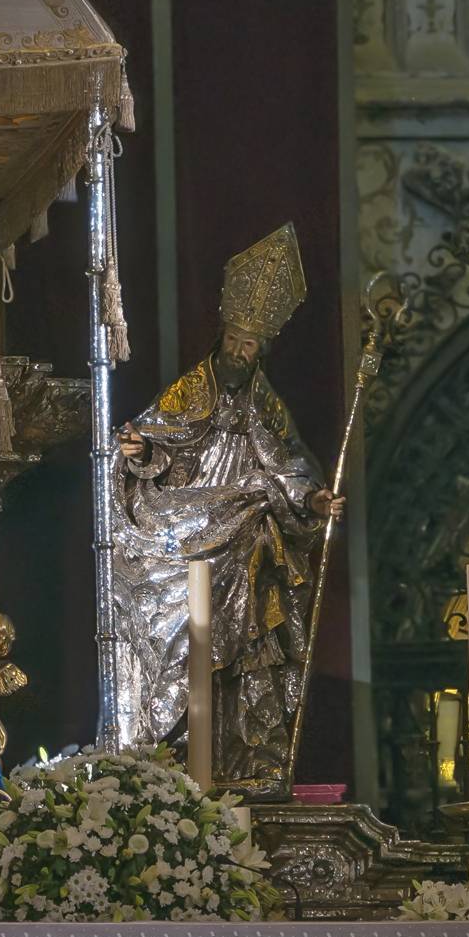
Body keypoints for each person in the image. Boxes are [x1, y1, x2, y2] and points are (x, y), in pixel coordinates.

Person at [111, 222, 341, 794]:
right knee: (186, 638)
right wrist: (142, 453)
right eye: (235, 338)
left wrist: (313, 498)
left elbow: (289, 465)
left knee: (246, 640)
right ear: (222, 333)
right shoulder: (191, 392)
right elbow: (157, 444)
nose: (239, 351)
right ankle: (170, 754)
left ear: (263, 349)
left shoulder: (266, 405)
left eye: (250, 345)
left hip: (244, 540)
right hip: (187, 529)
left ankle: (240, 758)